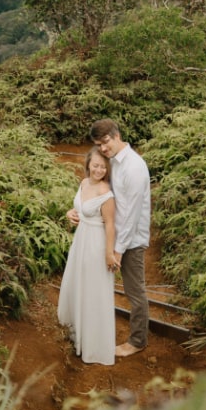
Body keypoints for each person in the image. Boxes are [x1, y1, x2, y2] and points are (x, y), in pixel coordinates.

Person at [90, 118, 150, 357]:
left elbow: (132, 216)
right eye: (99, 144)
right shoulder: (112, 162)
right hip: (114, 235)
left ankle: (137, 341)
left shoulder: (134, 167)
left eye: (105, 142)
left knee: (135, 292)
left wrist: (118, 250)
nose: (103, 148)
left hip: (131, 241)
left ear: (116, 135)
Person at [57, 148, 120, 365]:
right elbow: (81, 209)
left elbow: (111, 225)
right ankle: (77, 332)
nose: (99, 170)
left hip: (96, 243)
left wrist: (109, 253)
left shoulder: (106, 192)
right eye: (95, 165)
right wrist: (70, 213)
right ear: (88, 164)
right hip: (80, 240)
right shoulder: (84, 183)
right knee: (80, 283)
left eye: (103, 167)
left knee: (94, 290)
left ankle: (94, 344)